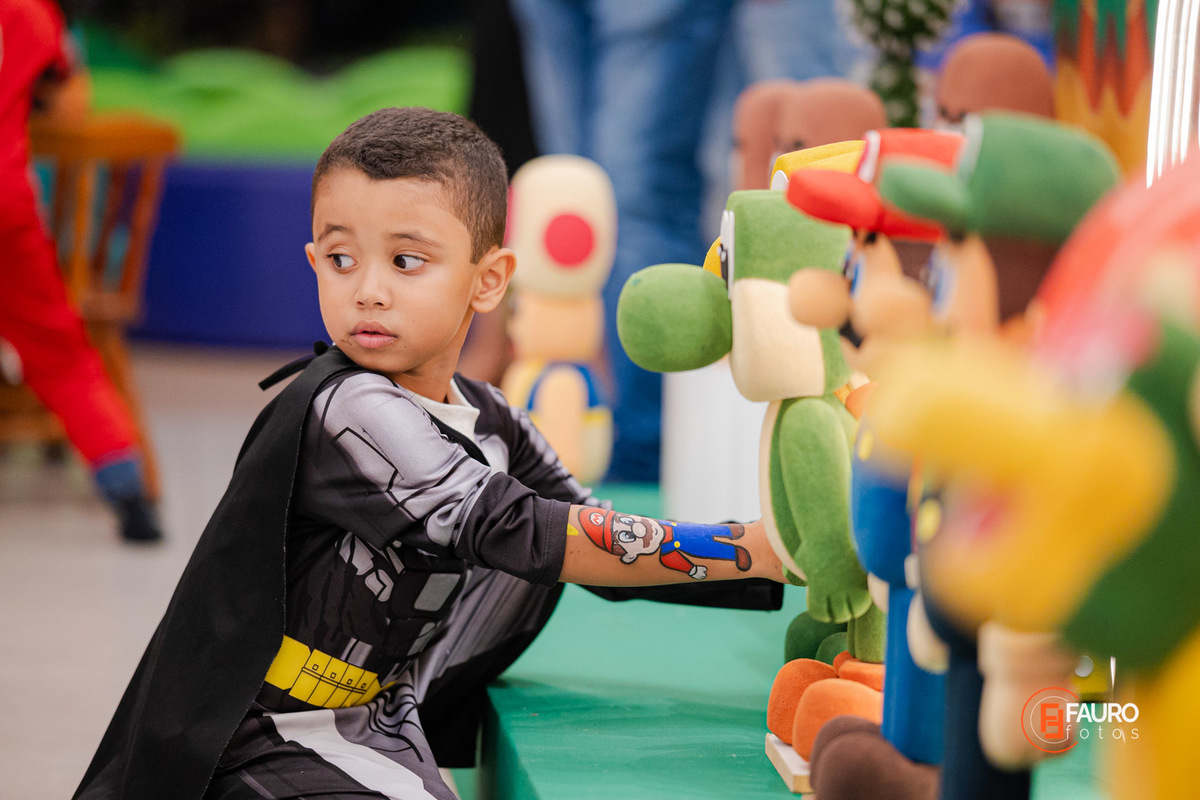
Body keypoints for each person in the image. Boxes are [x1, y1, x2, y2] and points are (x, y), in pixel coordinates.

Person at [73, 107, 785, 800]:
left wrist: (773, 558)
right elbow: (519, 529)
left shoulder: (491, 419)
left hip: (379, 717)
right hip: (259, 733)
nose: (368, 292)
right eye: (341, 260)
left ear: (489, 280)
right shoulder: (347, 407)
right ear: (314, 261)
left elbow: (592, 538)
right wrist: (753, 547)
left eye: (406, 261)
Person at [0, 0, 162, 542]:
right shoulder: (37, 15)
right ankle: (129, 492)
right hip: (8, 205)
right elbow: (67, 106)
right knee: (58, 350)